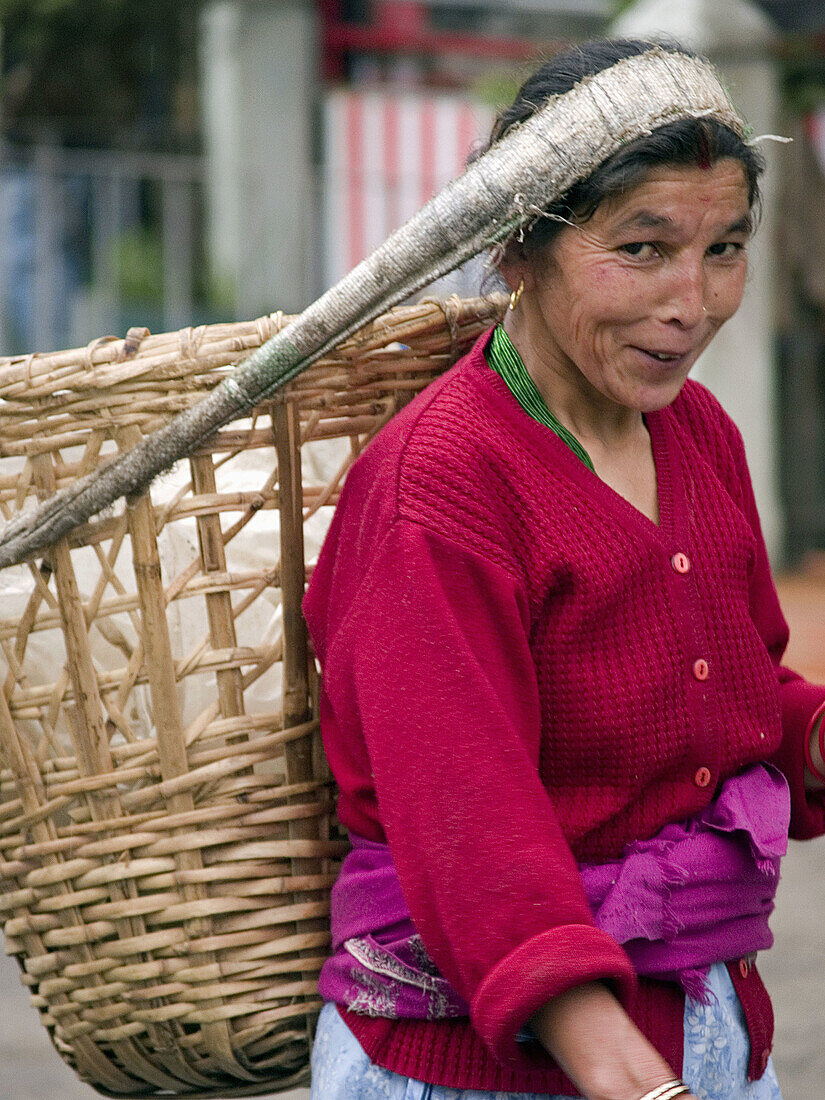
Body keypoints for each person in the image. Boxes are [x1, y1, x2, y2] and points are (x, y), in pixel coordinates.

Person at [303, 38, 825, 1100]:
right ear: (518, 251)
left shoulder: (699, 434)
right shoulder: (439, 488)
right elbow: (469, 820)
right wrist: (621, 1067)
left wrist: (807, 734)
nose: (694, 299)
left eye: (725, 246)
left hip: (701, 1016)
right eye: (642, 248)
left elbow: (724, 691)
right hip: (487, 1059)